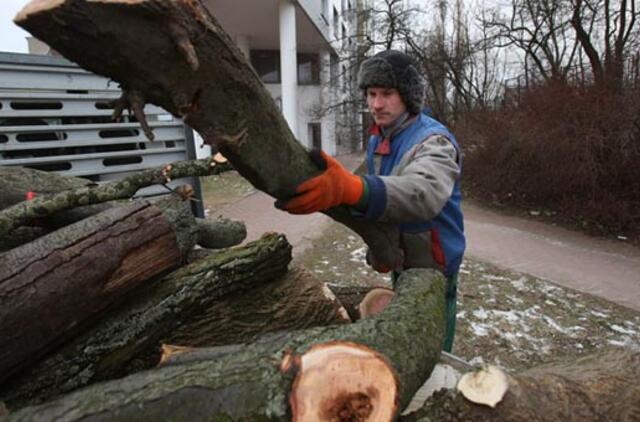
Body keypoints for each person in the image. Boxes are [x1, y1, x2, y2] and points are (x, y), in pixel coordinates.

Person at [279, 50, 465, 352]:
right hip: (402, 261)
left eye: (387, 94)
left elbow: (423, 194)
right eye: (371, 93)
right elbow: (383, 204)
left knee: (432, 352)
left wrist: (352, 189)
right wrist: (381, 246)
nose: (376, 104)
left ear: (408, 96)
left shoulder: (435, 141)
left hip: (435, 268)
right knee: (405, 341)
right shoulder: (379, 138)